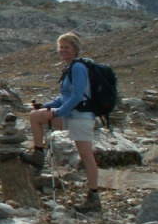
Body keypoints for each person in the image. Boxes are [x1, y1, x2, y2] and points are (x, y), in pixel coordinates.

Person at [24, 32, 101, 213]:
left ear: (75, 49)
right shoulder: (69, 68)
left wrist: (57, 112)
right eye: (61, 47)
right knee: (35, 116)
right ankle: (38, 155)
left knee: (86, 157)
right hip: (70, 115)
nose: (63, 50)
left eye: (67, 47)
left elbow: (77, 95)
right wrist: (46, 106)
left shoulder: (78, 67)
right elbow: (64, 97)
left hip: (81, 117)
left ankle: (94, 197)